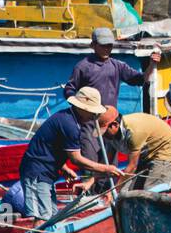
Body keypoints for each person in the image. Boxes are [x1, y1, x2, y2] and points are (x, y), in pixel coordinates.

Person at [18, 87, 121, 220]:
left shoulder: (69, 119)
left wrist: (63, 167)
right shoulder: (69, 125)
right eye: (92, 112)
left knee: (53, 217)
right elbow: (76, 159)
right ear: (83, 109)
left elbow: (50, 147)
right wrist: (106, 168)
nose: (93, 116)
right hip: (36, 173)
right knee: (42, 219)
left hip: (47, 174)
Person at [77, 109, 171, 193]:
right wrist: (90, 182)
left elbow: (132, 166)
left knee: (150, 192)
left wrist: (114, 191)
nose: (103, 135)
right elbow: (106, 165)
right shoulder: (110, 135)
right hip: (146, 155)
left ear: (114, 125)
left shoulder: (134, 132)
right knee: (130, 192)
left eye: (104, 131)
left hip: (165, 153)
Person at [63, 27, 160, 110]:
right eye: (103, 45)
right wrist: (80, 109)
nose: (106, 49)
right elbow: (69, 90)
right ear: (93, 45)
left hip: (109, 118)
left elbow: (142, 79)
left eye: (109, 45)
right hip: (89, 121)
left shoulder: (117, 66)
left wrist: (151, 64)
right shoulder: (83, 67)